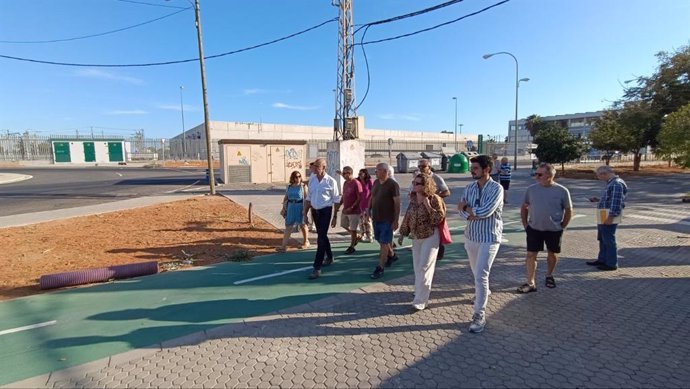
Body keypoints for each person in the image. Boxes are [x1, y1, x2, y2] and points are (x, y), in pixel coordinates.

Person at [458, 154, 503, 333]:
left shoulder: (496, 189)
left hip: (489, 237)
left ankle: (479, 314)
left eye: (475, 168)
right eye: (472, 167)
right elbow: (461, 211)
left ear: (487, 170)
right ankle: (483, 292)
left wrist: (467, 209)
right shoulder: (469, 187)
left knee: (481, 275)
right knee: (476, 272)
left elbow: (485, 211)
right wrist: (468, 211)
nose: (472, 170)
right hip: (471, 236)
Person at [517, 163, 572, 293]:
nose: (536, 177)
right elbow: (524, 207)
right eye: (535, 174)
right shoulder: (531, 189)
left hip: (554, 229)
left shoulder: (562, 191)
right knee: (531, 255)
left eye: (540, 174)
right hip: (534, 229)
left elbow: (568, 210)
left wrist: (563, 225)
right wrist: (525, 224)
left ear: (550, 175)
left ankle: (549, 275)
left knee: (552, 254)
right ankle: (531, 282)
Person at [398, 173, 447, 311]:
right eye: (414, 183)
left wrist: (428, 206)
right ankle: (419, 290)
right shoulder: (413, 199)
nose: (414, 185)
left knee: (425, 267)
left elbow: (439, 218)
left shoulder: (435, 199)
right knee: (417, 266)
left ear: (426, 185)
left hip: (430, 236)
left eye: (417, 183)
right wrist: (403, 233)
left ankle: (421, 300)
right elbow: (408, 216)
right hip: (416, 237)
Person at [304, 158, 341, 279]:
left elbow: (336, 200)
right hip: (315, 211)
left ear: (324, 168)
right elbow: (309, 198)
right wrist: (305, 213)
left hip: (326, 211)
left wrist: (335, 216)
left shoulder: (331, 182)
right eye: (314, 166)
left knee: (320, 238)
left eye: (317, 167)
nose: (314, 169)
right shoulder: (312, 180)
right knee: (322, 235)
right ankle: (329, 257)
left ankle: (317, 267)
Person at [587, 165, 628, 271]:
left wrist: (611, 217)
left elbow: (616, 202)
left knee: (609, 239)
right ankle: (602, 259)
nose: (598, 178)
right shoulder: (612, 183)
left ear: (604, 174)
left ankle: (611, 263)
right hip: (604, 214)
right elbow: (611, 199)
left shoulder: (616, 184)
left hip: (608, 215)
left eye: (598, 176)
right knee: (603, 238)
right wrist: (599, 200)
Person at [413, 159, 450, 260]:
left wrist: (433, 197)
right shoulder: (418, 178)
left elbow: (447, 192)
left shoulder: (436, 178)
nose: (421, 168)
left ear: (429, 167)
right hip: (421, 209)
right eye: (419, 166)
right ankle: (423, 248)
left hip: (434, 208)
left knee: (437, 230)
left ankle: (439, 251)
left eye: (423, 166)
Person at [369, 162, 401, 279]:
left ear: (385, 171)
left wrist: (396, 220)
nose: (375, 172)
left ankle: (380, 267)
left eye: (378, 170)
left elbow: (397, 203)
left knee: (383, 242)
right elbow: (372, 196)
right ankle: (392, 255)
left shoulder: (393, 185)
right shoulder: (376, 182)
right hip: (376, 217)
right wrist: (368, 209)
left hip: (387, 219)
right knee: (380, 239)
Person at [278, 171, 310, 252]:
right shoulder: (289, 187)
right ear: (293, 178)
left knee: (303, 225)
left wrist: (305, 210)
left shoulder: (303, 187)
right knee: (288, 226)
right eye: (296, 177)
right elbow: (286, 197)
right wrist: (283, 208)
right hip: (291, 207)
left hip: (300, 207)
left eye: (299, 176)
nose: (298, 178)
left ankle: (306, 242)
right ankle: (283, 246)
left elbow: (306, 199)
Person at [338, 166, 363, 254]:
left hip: (354, 211)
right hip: (345, 209)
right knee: (343, 224)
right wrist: (340, 204)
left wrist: (352, 207)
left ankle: (352, 246)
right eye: (343, 173)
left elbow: (359, 197)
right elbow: (344, 195)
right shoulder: (345, 183)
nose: (343, 175)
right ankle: (355, 236)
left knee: (353, 229)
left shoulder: (356, 183)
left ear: (350, 173)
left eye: (345, 173)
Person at [357, 168, 374, 243]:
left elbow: (373, 192)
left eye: (361, 174)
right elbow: (350, 180)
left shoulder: (369, 181)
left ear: (365, 174)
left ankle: (370, 236)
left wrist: (371, 203)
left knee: (368, 221)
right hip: (360, 204)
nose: (360, 175)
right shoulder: (358, 181)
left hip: (368, 204)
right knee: (361, 221)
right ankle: (362, 235)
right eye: (359, 174)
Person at [304, 162, 318, 233]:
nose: (310, 168)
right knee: (311, 212)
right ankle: (312, 224)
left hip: (315, 197)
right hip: (310, 196)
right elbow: (309, 182)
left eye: (311, 167)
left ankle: (314, 225)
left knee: (314, 211)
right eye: (310, 167)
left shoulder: (316, 175)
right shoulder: (312, 174)